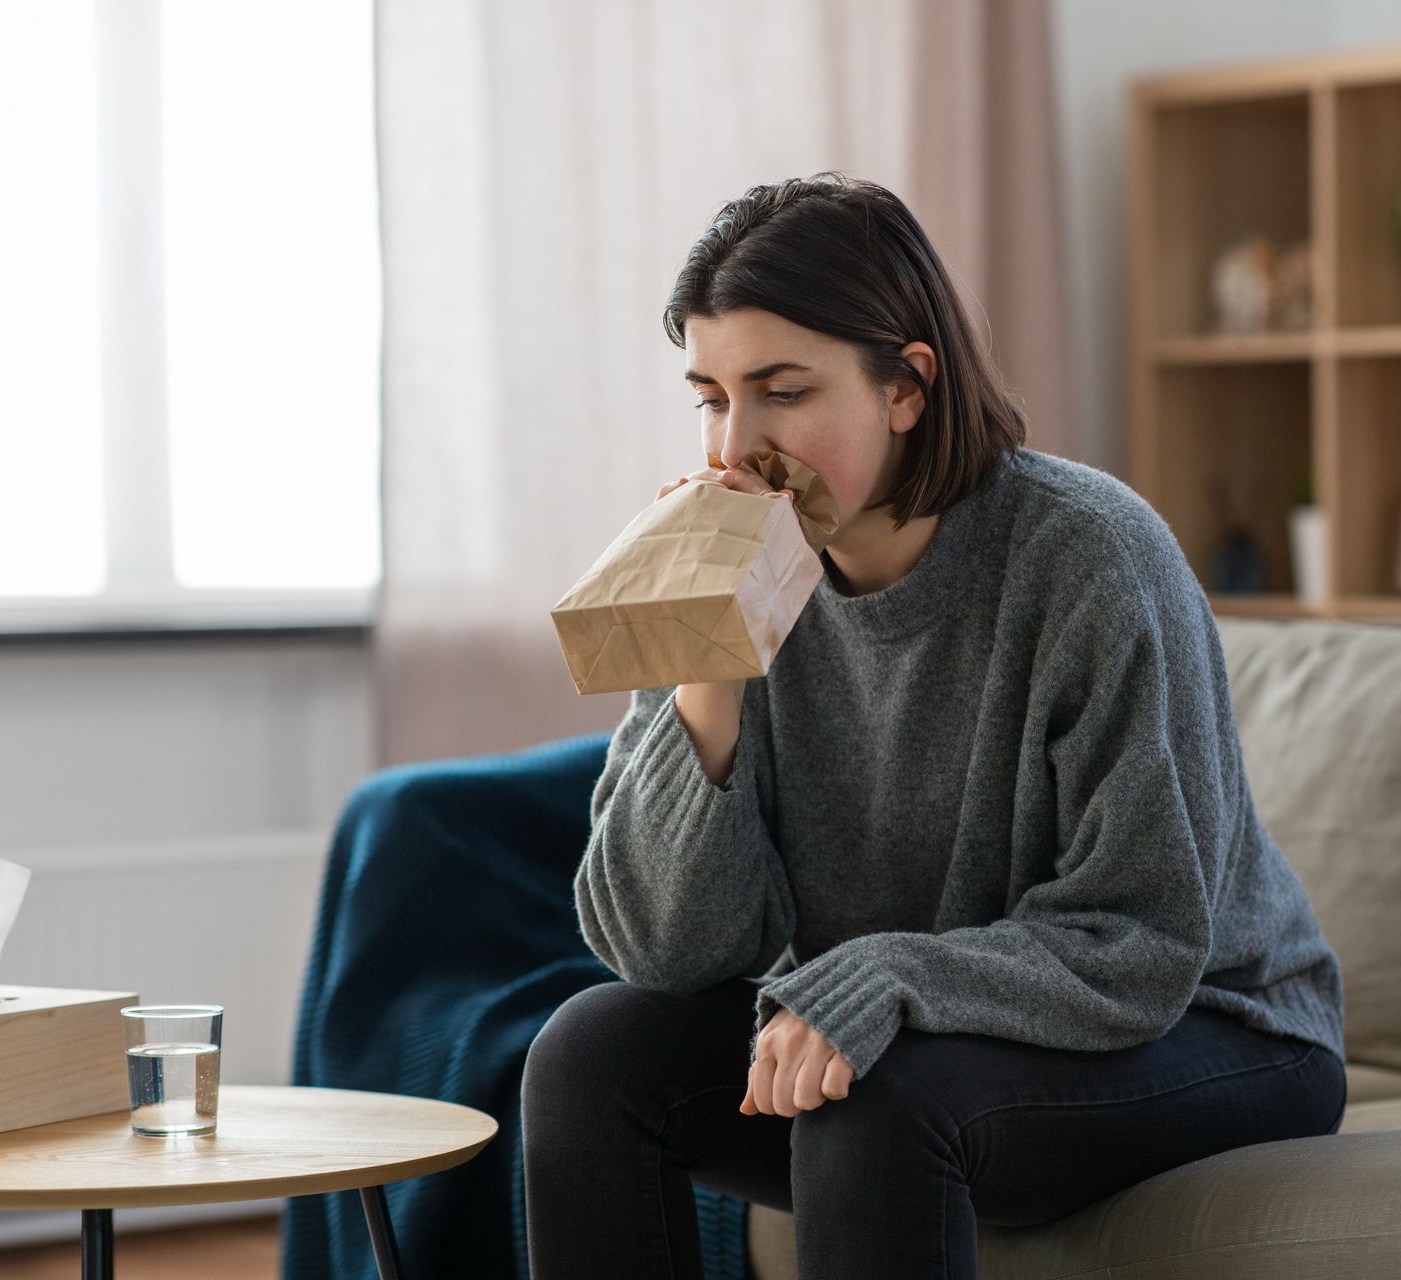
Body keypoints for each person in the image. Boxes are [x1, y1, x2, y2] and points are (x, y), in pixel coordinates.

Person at [521, 171, 1346, 1280]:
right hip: (933, 1025)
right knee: (588, 1054)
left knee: (879, 1101)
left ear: (908, 385)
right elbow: (671, 951)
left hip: (1213, 1029)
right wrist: (704, 676)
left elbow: (1141, 935)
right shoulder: (736, 561)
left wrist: (887, 981)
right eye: (713, 396)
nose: (734, 450)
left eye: (783, 391)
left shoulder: (1090, 557)